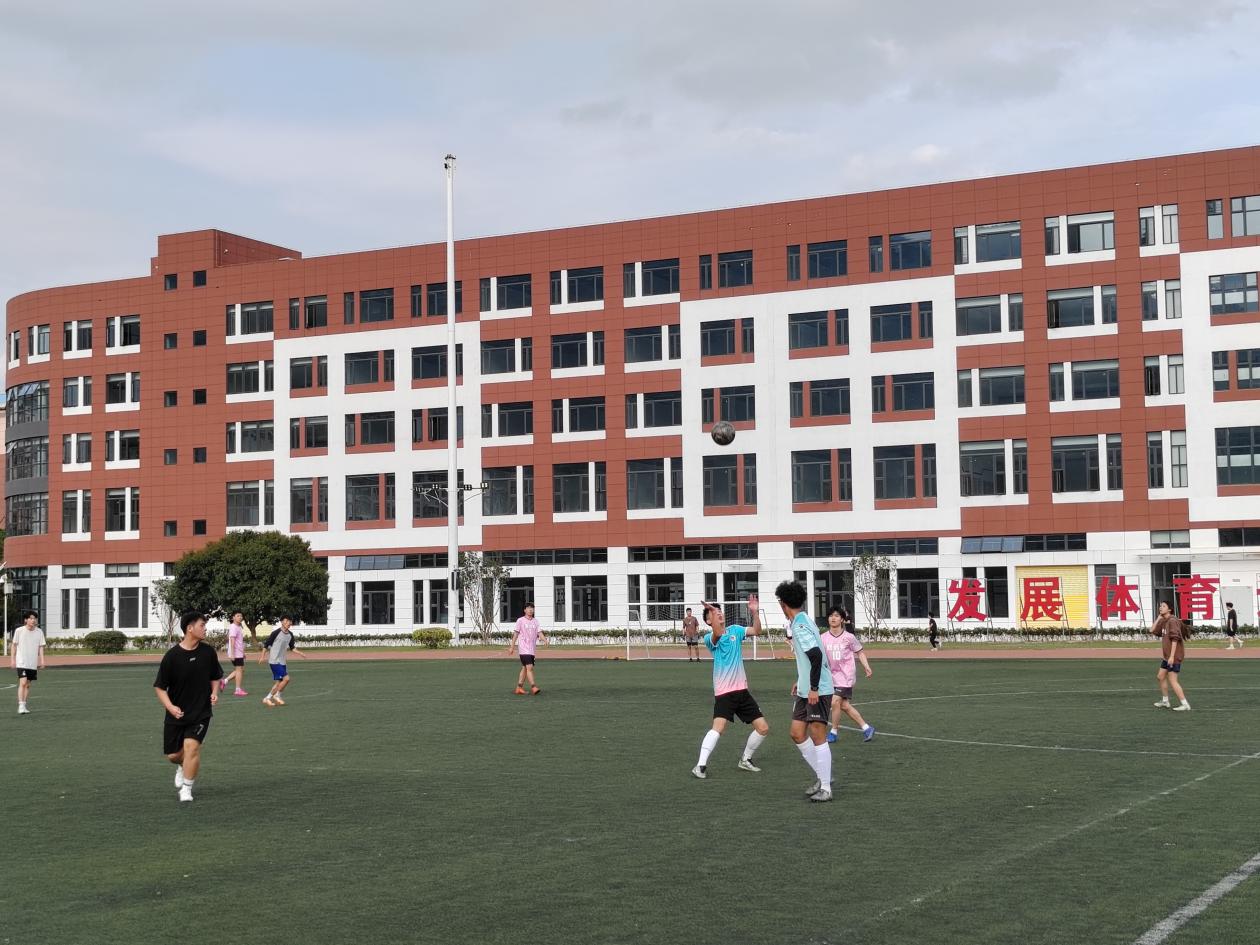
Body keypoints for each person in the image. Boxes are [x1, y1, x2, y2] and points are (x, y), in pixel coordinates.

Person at [691, 596, 769, 779]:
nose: (719, 613)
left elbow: (757, 630)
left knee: (763, 728)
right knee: (718, 728)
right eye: (714, 613)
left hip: (742, 691)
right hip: (724, 693)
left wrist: (754, 612)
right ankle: (700, 766)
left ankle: (745, 759)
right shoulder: (710, 638)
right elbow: (718, 633)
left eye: (720, 611)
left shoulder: (736, 630)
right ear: (708, 621)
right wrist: (712, 612)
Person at [154, 611, 224, 802]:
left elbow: (215, 677)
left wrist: (214, 692)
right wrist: (170, 707)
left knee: (191, 747)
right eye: (202, 625)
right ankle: (181, 765)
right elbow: (160, 687)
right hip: (176, 713)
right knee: (173, 755)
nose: (205, 629)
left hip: (201, 712)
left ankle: (186, 789)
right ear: (190, 628)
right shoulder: (172, 656)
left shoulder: (208, 652)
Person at [776, 580, 835, 802]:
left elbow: (816, 656)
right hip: (806, 687)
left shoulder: (800, 626)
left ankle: (826, 788)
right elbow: (810, 657)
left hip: (818, 689)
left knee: (818, 734)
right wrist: (801, 680)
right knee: (797, 733)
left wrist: (813, 688)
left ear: (783, 604)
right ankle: (823, 776)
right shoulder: (802, 620)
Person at [823, 607, 874, 744]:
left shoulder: (849, 637)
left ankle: (833, 732)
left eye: (836, 616)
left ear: (842, 619)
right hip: (830, 677)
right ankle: (867, 728)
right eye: (831, 616)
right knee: (844, 705)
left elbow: (860, 652)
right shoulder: (823, 638)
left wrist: (866, 666)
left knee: (835, 701)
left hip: (845, 677)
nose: (833, 618)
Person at [259, 616, 307, 707]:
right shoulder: (275, 633)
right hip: (274, 661)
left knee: (279, 682)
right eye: (286, 621)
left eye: (290, 621)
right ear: (282, 622)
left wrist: (300, 653)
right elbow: (266, 645)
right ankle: (276, 695)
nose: (288, 623)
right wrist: (262, 657)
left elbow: (292, 648)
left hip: (282, 662)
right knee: (287, 679)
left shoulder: (290, 635)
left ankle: (267, 698)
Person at [1152, 601, 1191, 712]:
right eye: (1160, 606)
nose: (1160, 607)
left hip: (1173, 656)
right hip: (1167, 657)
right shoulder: (1164, 621)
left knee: (1173, 680)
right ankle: (1165, 701)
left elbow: (1175, 639)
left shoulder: (1172, 621)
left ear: (1169, 609)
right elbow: (1152, 630)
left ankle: (1185, 704)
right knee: (1160, 676)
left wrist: (1172, 656)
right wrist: (1158, 618)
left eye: (1163, 606)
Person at [508, 602, 547, 695]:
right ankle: (534, 687)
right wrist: (512, 647)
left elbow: (539, 632)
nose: (530, 610)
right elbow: (515, 634)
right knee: (529, 667)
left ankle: (519, 688)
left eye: (532, 608)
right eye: (528, 608)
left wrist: (544, 639)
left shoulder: (535, 621)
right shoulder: (520, 621)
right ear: (524, 610)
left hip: (531, 650)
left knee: (525, 668)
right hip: (523, 649)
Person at [12, 610, 45, 715]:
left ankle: (24, 704)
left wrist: (42, 661)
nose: (33, 620)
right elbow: (14, 645)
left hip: (32, 663)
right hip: (21, 661)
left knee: (28, 685)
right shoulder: (19, 631)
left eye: (34, 618)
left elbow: (41, 647)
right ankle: (20, 705)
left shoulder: (39, 632)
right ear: (26, 620)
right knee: (23, 682)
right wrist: (12, 660)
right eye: (31, 618)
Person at [221, 611, 249, 696]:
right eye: (238, 616)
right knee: (239, 670)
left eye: (241, 616)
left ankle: (224, 681)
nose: (240, 617)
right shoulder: (233, 627)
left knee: (240, 670)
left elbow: (239, 641)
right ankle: (237, 690)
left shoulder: (238, 627)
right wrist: (233, 654)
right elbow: (232, 641)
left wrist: (243, 652)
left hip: (239, 652)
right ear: (233, 617)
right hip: (236, 653)